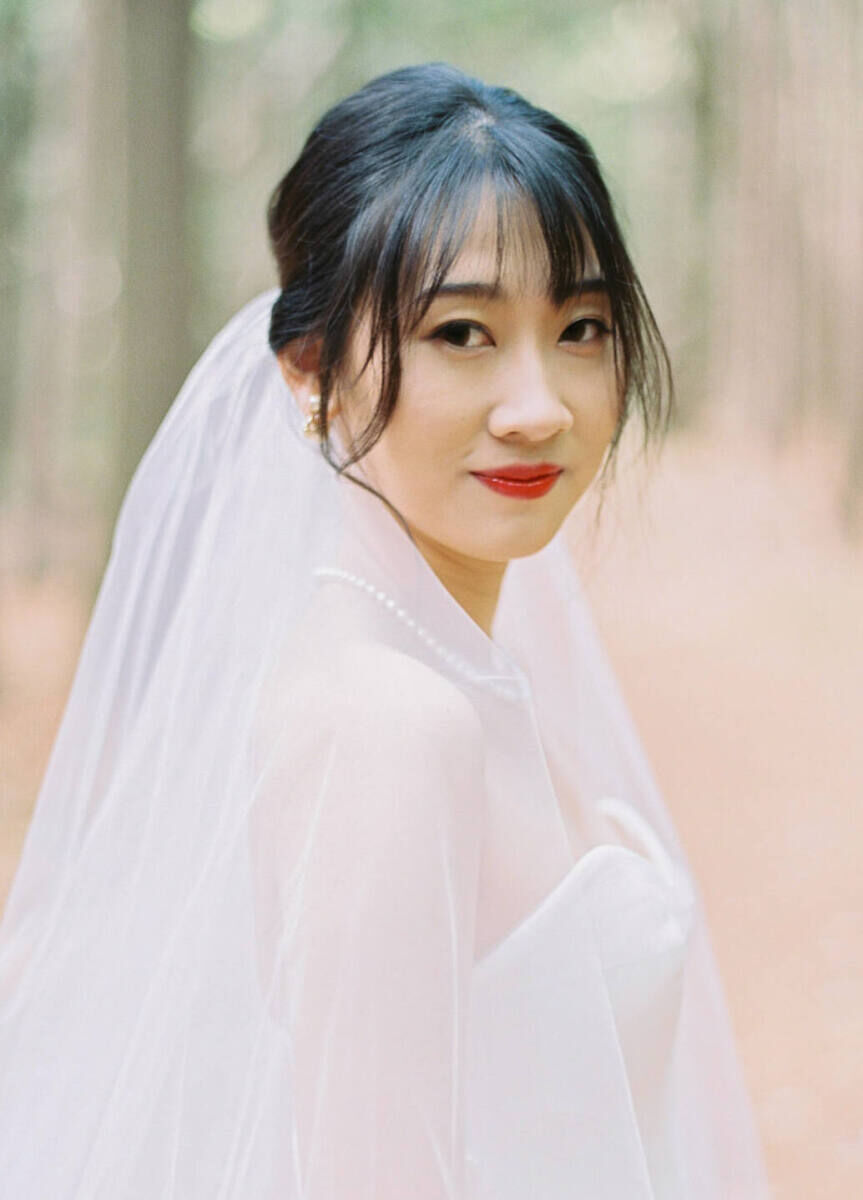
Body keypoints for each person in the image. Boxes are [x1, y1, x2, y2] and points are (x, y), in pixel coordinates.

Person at [0, 63, 769, 1198]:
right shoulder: (388, 728)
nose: (537, 404)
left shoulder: (461, 662)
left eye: (580, 326)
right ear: (311, 372)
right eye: (462, 331)